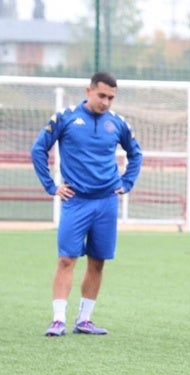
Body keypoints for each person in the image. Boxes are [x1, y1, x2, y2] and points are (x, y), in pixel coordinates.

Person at [31, 71, 143, 337]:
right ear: (88, 91)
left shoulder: (118, 123)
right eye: (101, 95)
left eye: (111, 98)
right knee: (66, 259)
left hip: (106, 202)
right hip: (76, 200)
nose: (105, 102)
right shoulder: (65, 117)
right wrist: (52, 186)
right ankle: (58, 320)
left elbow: (135, 154)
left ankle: (84, 319)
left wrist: (126, 183)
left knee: (98, 261)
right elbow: (38, 149)